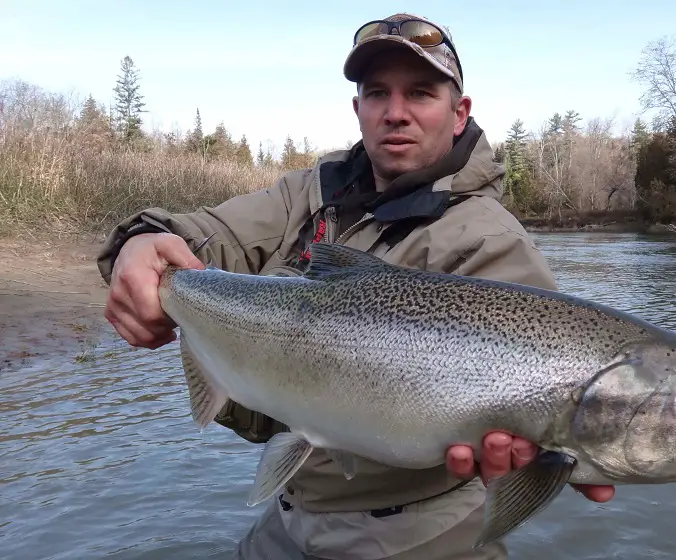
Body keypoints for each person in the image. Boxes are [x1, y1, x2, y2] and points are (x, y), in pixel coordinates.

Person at [96, 12, 614, 560]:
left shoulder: (491, 239)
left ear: (459, 113)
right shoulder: (310, 193)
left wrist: (558, 453)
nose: (396, 113)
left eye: (420, 93)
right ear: (357, 108)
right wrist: (141, 242)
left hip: (424, 537)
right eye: (377, 93)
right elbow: (208, 235)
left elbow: (548, 390)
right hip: (291, 516)